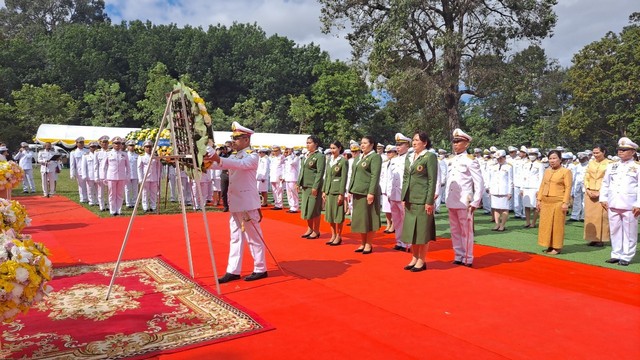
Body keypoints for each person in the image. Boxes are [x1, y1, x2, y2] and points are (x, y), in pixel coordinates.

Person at [205, 121, 268, 283]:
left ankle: (260, 268)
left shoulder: (252, 156)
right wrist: (202, 163)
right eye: (233, 138)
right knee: (235, 237)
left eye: (237, 138)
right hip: (236, 202)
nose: (233, 141)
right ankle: (233, 270)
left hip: (247, 203)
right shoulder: (234, 155)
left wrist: (218, 158)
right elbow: (220, 165)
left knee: (254, 237)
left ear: (246, 140)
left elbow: (239, 165)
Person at [445, 129, 484, 267]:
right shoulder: (450, 159)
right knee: (455, 230)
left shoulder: (470, 160)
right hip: (451, 199)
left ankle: (467, 257)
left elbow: (479, 182)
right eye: (454, 141)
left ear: (466, 144)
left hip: (464, 200)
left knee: (466, 231)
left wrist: (476, 200)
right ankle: (458, 255)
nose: (455, 144)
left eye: (458, 141)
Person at [401, 131, 438, 272]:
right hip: (410, 199)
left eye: (417, 140)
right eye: (413, 140)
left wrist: (429, 201)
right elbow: (405, 178)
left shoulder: (429, 157)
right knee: (412, 231)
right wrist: (404, 197)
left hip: (422, 200)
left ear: (425, 142)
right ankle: (414, 257)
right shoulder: (409, 157)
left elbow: (432, 180)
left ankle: (422, 260)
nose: (414, 143)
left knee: (422, 232)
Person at [600, 137, 640, 266]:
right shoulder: (612, 166)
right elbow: (605, 183)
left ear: (633, 152)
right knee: (615, 229)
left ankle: (627, 256)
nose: (620, 152)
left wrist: (638, 203)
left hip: (629, 204)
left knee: (629, 232)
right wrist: (603, 198)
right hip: (613, 202)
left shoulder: (637, 167)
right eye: (619, 149)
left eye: (624, 150)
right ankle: (616, 254)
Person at [348, 135, 382, 254]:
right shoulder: (359, 157)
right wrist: (350, 189)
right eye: (361, 143)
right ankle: (362, 243)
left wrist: (371, 192)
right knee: (361, 219)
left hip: (367, 192)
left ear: (372, 144)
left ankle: (369, 244)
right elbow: (353, 174)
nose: (362, 145)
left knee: (369, 218)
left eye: (365, 143)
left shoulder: (375, 157)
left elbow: (375, 176)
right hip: (357, 191)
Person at [536, 150, 572, 255]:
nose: (552, 161)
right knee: (546, 224)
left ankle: (557, 246)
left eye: (555, 158)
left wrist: (565, 202)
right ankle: (549, 244)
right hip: (546, 201)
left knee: (557, 225)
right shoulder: (547, 171)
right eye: (550, 158)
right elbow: (543, 185)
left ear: (560, 159)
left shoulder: (566, 171)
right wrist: (539, 200)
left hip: (558, 201)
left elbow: (568, 187)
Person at [297, 135, 325, 239]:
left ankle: (316, 230)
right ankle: (309, 228)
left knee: (314, 208)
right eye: (307, 143)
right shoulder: (306, 155)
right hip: (305, 186)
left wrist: (315, 187)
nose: (307, 145)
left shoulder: (319, 156)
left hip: (313, 186)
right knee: (306, 208)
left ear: (316, 144)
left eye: (310, 143)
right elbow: (302, 170)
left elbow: (319, 172)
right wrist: (298, 183)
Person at [388, 133, 411, 252]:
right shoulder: (394, 160)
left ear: (407, 145)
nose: (398, 147)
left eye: (400, 144)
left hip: (404, 194)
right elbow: (390, 177)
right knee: (396, 219)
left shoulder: (411, 159)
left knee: (406, 219)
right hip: (394, 193)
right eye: (397, 144)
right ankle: (399, 241)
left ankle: (408, 243)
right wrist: (388, 192)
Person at [583, 145, 611, 246]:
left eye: (597, 153)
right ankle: (592, 237)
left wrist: (601, 192)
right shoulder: (591, 163)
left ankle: (601, 239)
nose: (595, 155)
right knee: (590, 216)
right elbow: (586, 176)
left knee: (602, 216)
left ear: (603, 152)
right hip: (590, 191)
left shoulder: (610, 164)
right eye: (594, 153)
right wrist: (588, 189)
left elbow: (609, 180)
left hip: (602, 192)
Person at [322, 141, 348, 246]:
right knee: (330, 214)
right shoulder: (329, 160)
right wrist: (324, 190)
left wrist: (341, 193)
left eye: (334, 148)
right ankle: (332, 234)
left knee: (338, 215)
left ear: (339, 148)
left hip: (337, 190)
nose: (332, 150)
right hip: (329, 190)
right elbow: (327, 176)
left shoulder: (343, 161)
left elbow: (344, 178)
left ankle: (338, 235)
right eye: (331, 148)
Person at [103, 136, 130, 216]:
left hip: (121, 177)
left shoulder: (124, 154)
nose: (117, 145)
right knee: (112, 194)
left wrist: (128, 176)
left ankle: (119, 210)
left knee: (120, 194)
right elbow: (103, 166)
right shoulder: (108, 153)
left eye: (119, 143)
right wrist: (104, 177)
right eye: (115, 143)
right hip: (111, 177)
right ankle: (112, 210)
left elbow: (128, 167)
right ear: (112, 144)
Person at [487, 150, 513, 231]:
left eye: (501, 158)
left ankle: (502, 225)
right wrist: (489, 188)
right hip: (494, 190)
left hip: (504, 190)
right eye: (497, 158)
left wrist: (509, 192)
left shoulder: (509, 167)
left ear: (504, 157)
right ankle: (497, 224)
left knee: (504, 209)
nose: (499, 160)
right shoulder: (493, 166)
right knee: (496, 208)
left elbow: (510, 180)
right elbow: (489, 178)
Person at [521, 148, 544, 228]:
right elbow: (523, 176)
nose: (531, 156)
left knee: (535, 206)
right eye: (530, 154)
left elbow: (541, 178)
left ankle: (533, 222)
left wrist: (539, 190)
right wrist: (522, 188)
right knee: (526, 205)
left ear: (537, 155)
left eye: (533, 154)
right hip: (526, 187)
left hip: (535, 187)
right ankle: (527, 222)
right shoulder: (525, 164)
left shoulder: (540, 165)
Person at [137, 140, 162, 212]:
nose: (148, 148)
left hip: (154, 177)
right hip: (145, 177)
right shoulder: (141, 157)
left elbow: (158, 167)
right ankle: (145, 207)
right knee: (145, 192)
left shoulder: (155, 156)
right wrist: (140, 178)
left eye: (150, 147)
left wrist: (158, 177)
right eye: (147, 147)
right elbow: (139, 168)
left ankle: (153, 206)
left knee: (153, 193)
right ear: (144, 148)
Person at [380, 145, 396, 233]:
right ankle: (388, 224)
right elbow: (382, 176)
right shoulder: (385, 163)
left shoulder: (396, 162)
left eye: (390, 152)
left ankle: (393, 225)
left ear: (395, 152)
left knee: (393, 208)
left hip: (393, 189)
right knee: (386, 208)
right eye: (387, 152)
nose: (388, 154)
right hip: (385, 188)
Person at [69, 136, 90, 203]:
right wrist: (72, 173)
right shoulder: (73, 152)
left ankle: (89, 198)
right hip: (79, 171)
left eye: (82, 142)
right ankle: (83, 198)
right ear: (76, 143)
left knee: (89, 185)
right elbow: (72, 164)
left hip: (88, 170)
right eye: (79, 142)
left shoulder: (87, 151)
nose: (81, 144)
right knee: (81, 185)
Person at [570, 152, 589, 221]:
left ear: (586, 158)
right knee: (576, 201)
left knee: (585, 201)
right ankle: (575, 216)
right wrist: (572, 188)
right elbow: (574, 177)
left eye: (582, 159)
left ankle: (583, 216)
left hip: (586, 185)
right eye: (580, 159)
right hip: (577, 185)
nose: (581, 160)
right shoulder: (577, 166)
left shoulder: (589, 165)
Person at [82, 141, 100, 206]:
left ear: (96, 147)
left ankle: (98, 201)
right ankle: (91, 201)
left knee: (99, 189)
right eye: (91, 147)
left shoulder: (99, 155)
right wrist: (84, 175)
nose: (93, 148)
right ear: (89, 148)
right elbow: (83, 166)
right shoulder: (86, 156)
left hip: (98, 175)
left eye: (94, 147)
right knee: (90, 189)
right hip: (90, 175)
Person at [283, 146, 300, 213]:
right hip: (288, 178)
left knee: (294, 193)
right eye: (287, 149)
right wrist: (284, 177)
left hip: (293, 178)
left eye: (289, 149)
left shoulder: (296, 158)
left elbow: (292, 163)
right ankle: (291, 206)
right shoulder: (287, 158)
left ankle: (295, 207)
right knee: (289, 194)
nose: (288, 151)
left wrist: (290, 156)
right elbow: (285, 168)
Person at [96, 135, 111, 211]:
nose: (105, 144)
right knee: (101, 191)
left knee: (109, 191)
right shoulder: (97, 153)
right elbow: (96, 166)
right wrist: (96, 176)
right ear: (100, 143)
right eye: (103, 142)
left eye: (106, 142)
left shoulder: (111, 152)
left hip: (110, 174)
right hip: (101, 174)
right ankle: (102, 206)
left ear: (108, 143)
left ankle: (109, 205)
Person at [124, 140, 139, 209]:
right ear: (127, 146)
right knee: (127, 189)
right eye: (130, 145)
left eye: (133, 145)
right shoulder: (125, 155)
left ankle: (134, 202)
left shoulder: (137, 155)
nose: (131, 147)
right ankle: (128, 203)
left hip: (135, 174)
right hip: (127, 175)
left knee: (135, 189)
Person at [269, 145, 285, 210]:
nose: (274, 152)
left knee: (279, 190)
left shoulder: (281, 157)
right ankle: (276, 203)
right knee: (274, 191)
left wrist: (283, 176)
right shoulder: (273, 158)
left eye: (276, 151)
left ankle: (279, 204)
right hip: (273, 176)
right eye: (273, 151)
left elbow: (284, 167)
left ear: (279, 151)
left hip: (279, 176)